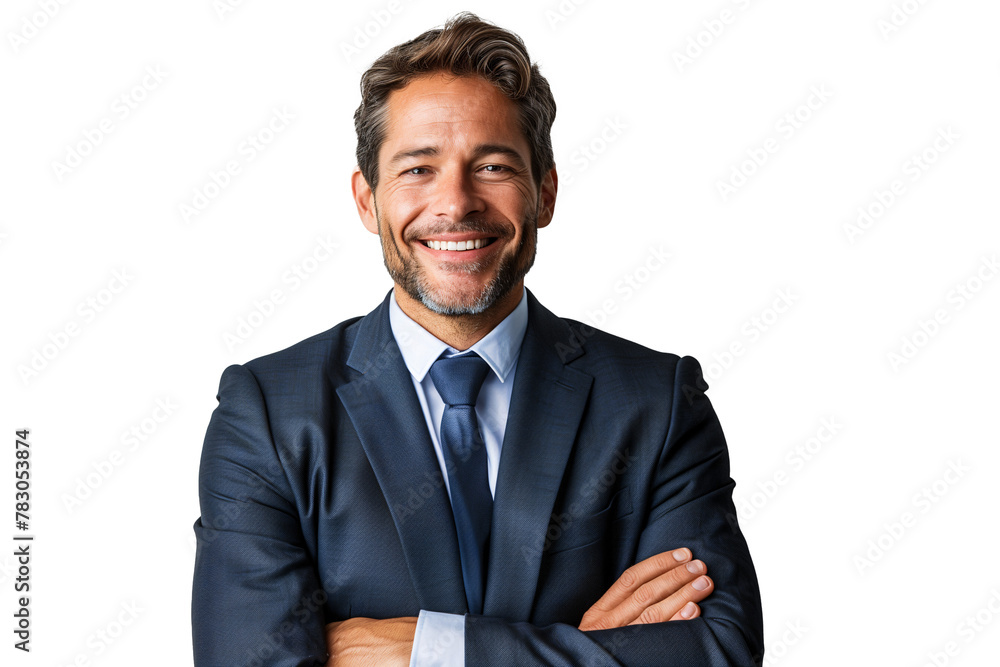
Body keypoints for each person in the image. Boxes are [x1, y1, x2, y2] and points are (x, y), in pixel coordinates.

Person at [192, 12, 763, 666]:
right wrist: (585, 645)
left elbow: (716, 651)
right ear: (366, 201)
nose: (457, 203)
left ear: (544, 192)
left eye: (491, 165)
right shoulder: (265, 413)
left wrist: (424, 649)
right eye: (418, 169)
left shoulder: (657, 404)